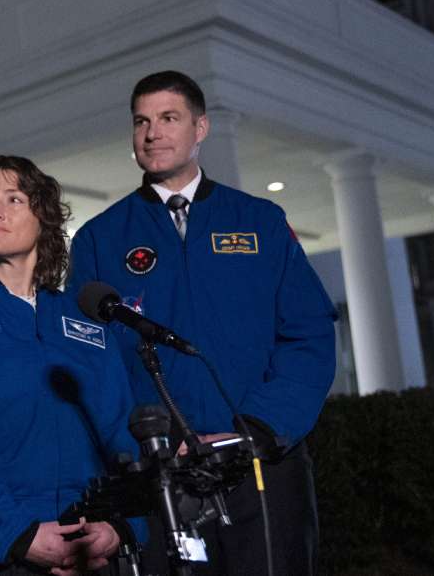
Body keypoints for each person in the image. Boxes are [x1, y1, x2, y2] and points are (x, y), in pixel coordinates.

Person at [67, 71, 337, 575]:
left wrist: (257, 429)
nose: (153, 133)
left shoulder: (260, 221)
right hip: (160, 475)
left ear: (201, 127)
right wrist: (149, 447)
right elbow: (88, 362)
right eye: (141, 122)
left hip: (261, 465)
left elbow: (310, 333)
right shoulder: (99, 239)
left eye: (169, 118)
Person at [0, 155, 145, 576]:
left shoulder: (83, 321)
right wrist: (17, 534)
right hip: (0, 549)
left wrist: (120, 525)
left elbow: (122, 433)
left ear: (44, 219)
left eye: (14, 199)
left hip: (92, 542)